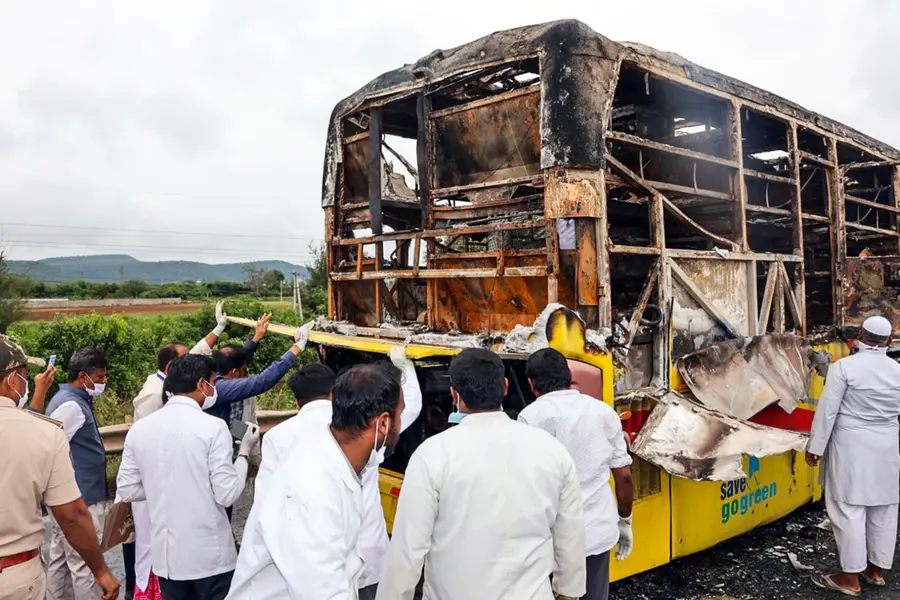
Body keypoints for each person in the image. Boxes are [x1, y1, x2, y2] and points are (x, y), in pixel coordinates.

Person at [376, 348, 586, 600]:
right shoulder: (552, 451)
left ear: (454, 394)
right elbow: (571, 534)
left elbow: (407, 551)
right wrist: (568, 591)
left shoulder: (432, 455)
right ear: (505, 387)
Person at [255, 348, 423, 599]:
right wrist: (406, 365)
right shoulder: (319, 476)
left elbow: (263, 503)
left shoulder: (288, 437)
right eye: (399, 413)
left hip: (334, 570)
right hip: (356, 566)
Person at [115, 354, 260, 600]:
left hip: (167, 561)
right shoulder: (213, 427)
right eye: (214, 382)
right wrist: (244, 452)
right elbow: (226, 494)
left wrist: (164, 486)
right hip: (210, 558)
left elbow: (127, 489)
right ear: (203, 384)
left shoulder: (139, 430)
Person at [0, 334, 119, 600]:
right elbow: (73, 517)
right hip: (15, 574)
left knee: (60, 560)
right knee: (79, 566)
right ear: (12, 380)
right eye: (23, 375)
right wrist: (101, 571)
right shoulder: (53, 421)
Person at [519, 348, 634, 600]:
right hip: (596, 532)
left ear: (531, 384)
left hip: (551, 539)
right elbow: (623, 476)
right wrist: (625, 520)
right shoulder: (603, 412)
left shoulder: (529, 418)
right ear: (569, 376)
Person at [807, 315, 900, 595]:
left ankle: (849, 579)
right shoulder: (897, 371)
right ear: (888, 340)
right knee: (883, 507)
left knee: (848, 509)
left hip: (851, 445)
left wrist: (815, 447)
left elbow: (827, 411)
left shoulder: (845, 368)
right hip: (887, 445)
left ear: (861, 333)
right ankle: (876, 570)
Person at [44, 347, 111, 600]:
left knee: (61, 559)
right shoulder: (70, 405)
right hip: (77, 499)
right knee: (85, 563)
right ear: (83, 376)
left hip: (70, 497)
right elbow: (50, 452)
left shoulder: (73, 399)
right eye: (101, 377)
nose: (104, 382)